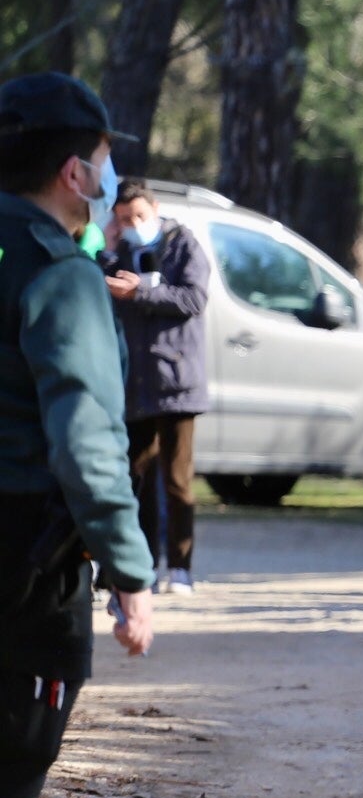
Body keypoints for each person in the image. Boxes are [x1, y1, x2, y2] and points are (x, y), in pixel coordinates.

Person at [0, 72, 154, 798]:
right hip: (23, 563)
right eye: (101, 156)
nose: (108, 171)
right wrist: (132, 572)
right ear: (74, 170)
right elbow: (88, 441)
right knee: (4, 779)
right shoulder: (60, 279)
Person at [103, 176, 210, 595]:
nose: (133, 224)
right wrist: (110, 249)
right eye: (124, 219)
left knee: (177, 479)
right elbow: (103, 288)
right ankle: (141, 567)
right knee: (137, 478)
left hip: (177, 382)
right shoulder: (122, 250)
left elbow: (193, 299)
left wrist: (142, 293)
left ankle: (181, 566)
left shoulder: (183, 243)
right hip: (136, 384)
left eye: (138, 216)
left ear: (154, 208)